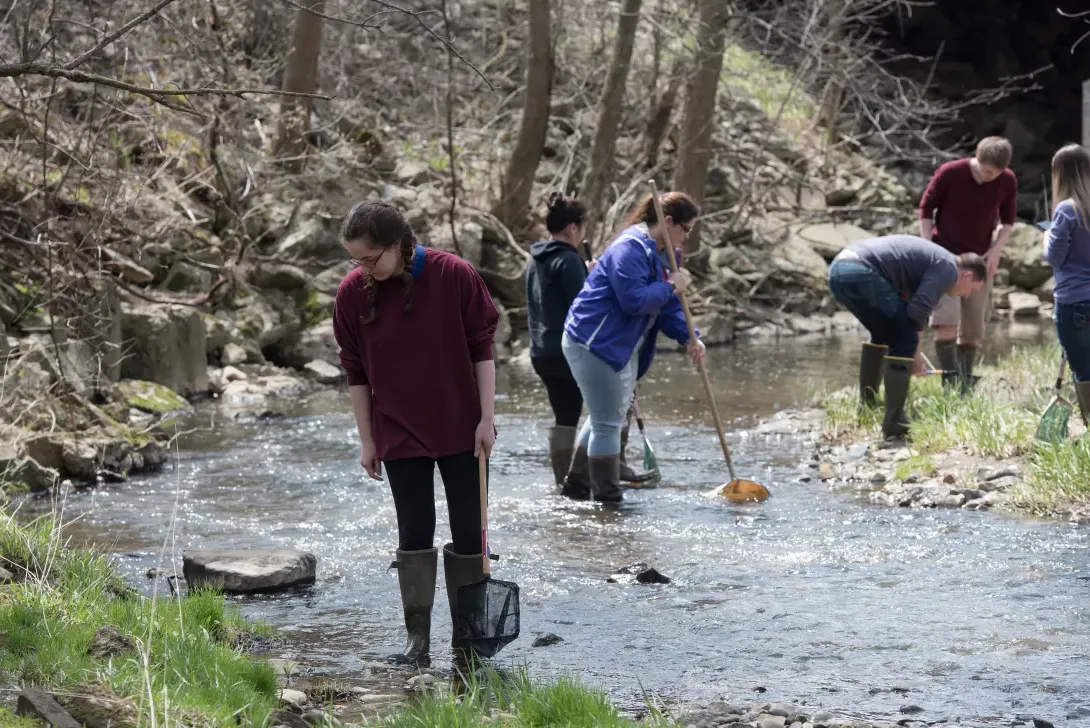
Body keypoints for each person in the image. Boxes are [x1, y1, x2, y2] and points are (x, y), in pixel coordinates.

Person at [332, 201, 499, 667]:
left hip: (462, 427)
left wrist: (486, 418)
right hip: (398, 431)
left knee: (469, 535)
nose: (362, 268)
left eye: (369, 258)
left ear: (398, 245)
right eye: (355, 260)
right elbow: (355, 371)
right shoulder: (352, 294)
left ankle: (469, 640)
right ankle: (417, 642)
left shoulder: (454, 274)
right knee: (414, 532)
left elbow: (481, 348)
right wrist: (367, 440)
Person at [561, 191, 706, 503]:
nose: (688, 237)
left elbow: (669, 308)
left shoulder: (668, 253)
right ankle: (608, 501)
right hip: (593, 342)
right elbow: (634, 300)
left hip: (620, 345)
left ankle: (575, 488)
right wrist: (669, 286)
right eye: (687, 229)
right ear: (668, 222)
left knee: (604, 417)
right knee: (607, 422)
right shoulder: (630, 247)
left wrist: (690, 337)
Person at [828, 235, 987, 439]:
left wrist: (912, 353)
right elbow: (917, 312)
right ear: (966, 275)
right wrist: (914, 355)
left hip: (838, 270)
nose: (966, 296)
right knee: (905, 337)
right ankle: (894, 422)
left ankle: (867, 406)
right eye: (972, 289)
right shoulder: (947, 268)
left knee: (882, 334)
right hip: (861, 271)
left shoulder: (938, 262)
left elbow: (911, 303)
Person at [918, 136, 1018, 391]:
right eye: (986, 171)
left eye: (995, 173)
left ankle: (965, 383)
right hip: (945, 256)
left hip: (981, 260)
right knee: (946, 322)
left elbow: (1007, 221)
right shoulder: (950, 173)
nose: (990, 177)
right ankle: (950, 383)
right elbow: (926, 210)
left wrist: (996, 251)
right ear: (977, 158)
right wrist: (927, 247)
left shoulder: (1007, 181)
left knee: (973, 327)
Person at [525, 193, 590, 489]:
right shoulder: (568, 260)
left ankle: (563, 480)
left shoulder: (536, 259)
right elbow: (584, 308)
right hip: (567, 350)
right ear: (573, 228)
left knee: (565, 414)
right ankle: (581, 478)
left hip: (540, 352)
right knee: (604, 410)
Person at [1043, 143, 1090, 425]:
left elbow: (1055, 257)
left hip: (1074, 301)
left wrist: (1045, 239)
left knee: (1084, 370)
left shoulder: (1067, 210)